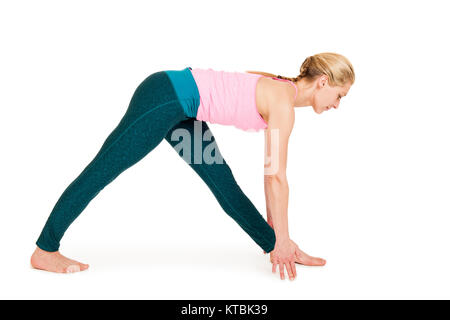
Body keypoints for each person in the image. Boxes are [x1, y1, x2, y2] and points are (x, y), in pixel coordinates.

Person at [30, 52, 355, 280]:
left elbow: (272, 177)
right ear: (323, 82)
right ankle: (45, 249)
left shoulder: (280, 83)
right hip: (165, 98)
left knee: (225, 186)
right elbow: (275, 177)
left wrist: (281, 238)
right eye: (339, 95)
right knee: (102, 170)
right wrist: (282, 234)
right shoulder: (283, 104)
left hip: (185, 111)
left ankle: (274, 246)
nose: (337, 105)